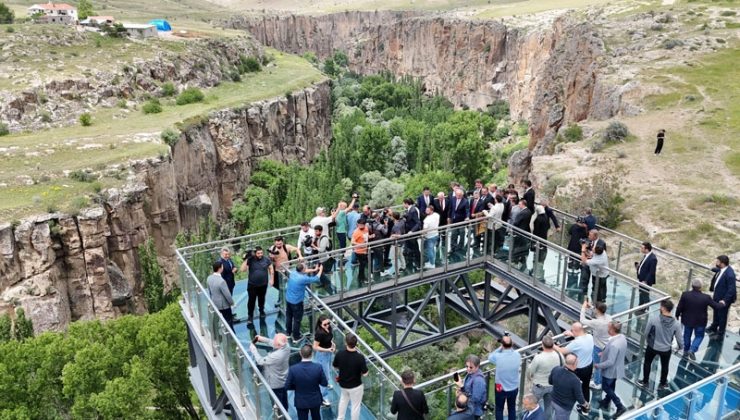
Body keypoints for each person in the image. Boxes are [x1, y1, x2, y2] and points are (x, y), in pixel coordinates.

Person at [675, 278, 725, 359]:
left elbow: (680, 306)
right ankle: (693, 349)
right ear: (701, 287)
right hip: (700, 322)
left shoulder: (685, 294)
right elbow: (716, 306)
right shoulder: (706, 297)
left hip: (687, 320)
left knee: (686, 335)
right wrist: (722, 303)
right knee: (699, 336)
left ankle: (686, 350)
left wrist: (677, 315)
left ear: (692, 285)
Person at [638, 299, 682, 390]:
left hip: (652, 346)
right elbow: (679, 339)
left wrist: (647, 340)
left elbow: (646, 333)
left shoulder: (654, 319)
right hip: (666, 349)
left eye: (661, 306)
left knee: (647, 363)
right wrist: (680, 347)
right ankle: (662, 384)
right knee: (665, 366)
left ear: (663, 308)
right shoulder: (676, 324)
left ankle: (645, 382)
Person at [555, 322, 594, 408]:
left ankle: (572, 404)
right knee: (585, 387)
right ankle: (585, 407)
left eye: (572, 330)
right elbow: (580, 338)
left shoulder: (576, 343)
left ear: (575, 331)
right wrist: (573, 334)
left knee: (573, 388)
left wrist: (552, 345)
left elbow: (562, 351)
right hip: (589, 365)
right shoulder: (590, 337)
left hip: (578, 370)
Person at [594, 321, 627, 417]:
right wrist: (604, 353)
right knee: (611, 385)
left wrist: (598, 366)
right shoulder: (622, 338)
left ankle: (619, 405)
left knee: (606, 387)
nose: (607, 330)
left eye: (608, 328)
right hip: (618, 368)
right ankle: (607, 400)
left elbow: (610, 362)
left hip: (610, 371)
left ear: (612, 330)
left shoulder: (614, 344)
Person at [250, 333, 290, 411]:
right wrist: (262, 339)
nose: (273, 341)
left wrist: (254, 351)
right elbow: (274, 343)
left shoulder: (276, 356)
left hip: (275, 384)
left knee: (277, 405)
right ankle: (285, 411)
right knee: (284, 401)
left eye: (275, 341)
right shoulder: (286, 346)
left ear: (278, 345)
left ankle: (280, 415)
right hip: (284, 380)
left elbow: (260, 361)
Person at [286, 345, 328, 420]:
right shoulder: (318, 367)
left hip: (301, 401)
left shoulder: (293, 369)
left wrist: (297, 387)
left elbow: (287, 386)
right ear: (312, 354)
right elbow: (324, 383)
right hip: (315, 400)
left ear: (300, 353)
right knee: (316, 417)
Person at [333, 334, 369, 420]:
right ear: (356, 344)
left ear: (346, 343)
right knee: (355, 406)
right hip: (356, 386)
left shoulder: (340, 354)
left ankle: (340, 418)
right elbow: (365, 373)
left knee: (343, 401)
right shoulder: (360, 357)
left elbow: (335, 366)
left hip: (343, 384)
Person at [527, 335, 562, 419]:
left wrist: (530, 378)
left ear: (542, 345)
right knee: (549, 408)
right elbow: (563, 366)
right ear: (553, 344)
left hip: (539, 386)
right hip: (552, 386)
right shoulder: (559, 355)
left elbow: (530, 371)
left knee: (531, 406)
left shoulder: (538, 358)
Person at [285, 263, 323, 342]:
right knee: (297, 320)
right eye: (305, 268)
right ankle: (296, 337)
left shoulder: (293, 273)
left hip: (288, 299)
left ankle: (288, 333)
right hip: (296, 303)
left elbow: (305, 271)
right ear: (302, 270)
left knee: (289, 316)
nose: (306, 269)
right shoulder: (302, 279)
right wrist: (320, 270)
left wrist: (314, 269)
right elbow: (316, 278)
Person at [579, 300, 611, 390]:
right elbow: (600, 312)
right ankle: (601, 378)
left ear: (597, 310)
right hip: (607, 345)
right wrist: (592, 307)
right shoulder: (608, 318)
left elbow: (582, 320)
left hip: (599, 346)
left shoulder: (596, 322)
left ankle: (597, 383)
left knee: (597, 364)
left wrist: (583, 308)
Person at [488, 335, 521, 420]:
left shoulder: (498, 357)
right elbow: (512, 351)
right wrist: (508, 345)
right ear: (512, 344)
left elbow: (490, 357)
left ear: (502, 345)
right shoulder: (517, 355)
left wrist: (500, 347)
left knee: (499, 409)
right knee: (512, 408)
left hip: (500, 388)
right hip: (513, 388)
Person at [240, 246, 273, 323]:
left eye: (261, 253)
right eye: (258, 253)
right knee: (251, 301)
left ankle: (261, 311)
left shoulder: (266, 259)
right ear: (255, 253)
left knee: (262, 299)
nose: (260, 254)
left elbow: (271, 268)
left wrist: (272, 278)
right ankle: (250, 316)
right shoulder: (251, 260)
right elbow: (242, 269)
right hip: (252, 285)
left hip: (263, 284)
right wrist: (247, 259)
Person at [549, 354, 588, 420]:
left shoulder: (556, 369)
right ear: (575, 364)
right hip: (564, 407)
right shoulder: (575, 380)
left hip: (553, 400)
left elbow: (550, 382)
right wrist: (585, 404)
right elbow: (579, 397)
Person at [707, 255, 737, 338]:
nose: (716, 263)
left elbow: (732, 290)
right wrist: (712, 269)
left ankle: (720, 333)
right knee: (716, 312)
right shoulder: (722, 269)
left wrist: (724, 300)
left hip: (723, 299)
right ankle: (714, 327)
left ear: (722, 263)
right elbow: (718, 270)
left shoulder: (730, 274)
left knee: (722, 316)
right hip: (717, 295)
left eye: (717, 262)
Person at [268, 236, 303, 304]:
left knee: (287, 284)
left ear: (282, 242)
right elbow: (270, 261)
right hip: (277, 270)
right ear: (275, 243)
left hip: (286, 269)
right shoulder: (272, 248)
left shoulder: (286, 247)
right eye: (277, 244)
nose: (279, 245)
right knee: (276, 284)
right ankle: (284, 293)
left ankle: (282, 299)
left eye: (280, 244)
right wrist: (271, 257)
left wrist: (300, 256)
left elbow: (297, 249)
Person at [454, 355, 487, 419]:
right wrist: (461, 391)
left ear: (477, 367)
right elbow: (469, 390)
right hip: (469, 408)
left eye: (471, 367)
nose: (468, 369)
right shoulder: (470, 374)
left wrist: (462, 387)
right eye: (467, 366)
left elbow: (475, 399)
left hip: (474, 411)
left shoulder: (478, 381)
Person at [313, 315, 335, 406]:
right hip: (322, 354)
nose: (327, 325)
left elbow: (330, 339)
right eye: (325, 324)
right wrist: (327, 350)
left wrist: (333, 344)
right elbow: (315, 347)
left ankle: (326, 384)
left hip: (329, 352)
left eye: (328, 323)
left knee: (328, 370)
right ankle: (323, 398)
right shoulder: (319, 333)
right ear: (320, 324)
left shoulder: (329, 329)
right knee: (324, 375)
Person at [207, 261, 234, 331]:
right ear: (220, 268)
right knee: (228, 321)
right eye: (222, 267)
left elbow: (210, 291)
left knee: (215, 320)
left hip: (214, 303)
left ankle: (214, 333)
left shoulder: (209, 278)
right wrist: (232, 303)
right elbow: (227, 294)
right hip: (224, 305)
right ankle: (231, 336)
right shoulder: (221, 281)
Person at [580, 237, 609, 303]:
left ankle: (597, 303)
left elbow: (584, 261)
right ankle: (599, 300)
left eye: (594, 248)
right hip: (599, 274)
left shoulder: (598, 260)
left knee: (597, 291)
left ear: (596, 251)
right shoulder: (602, 252)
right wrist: (586, 251)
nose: (592, 248)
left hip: (599, 276)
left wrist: (583, 250)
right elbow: (591, 255)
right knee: (599, 289)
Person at [403, 198, 422, 271]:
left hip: (412, 233)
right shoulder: (410, 210)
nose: (403, 205)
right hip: (408, 233)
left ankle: (419, 264)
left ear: (406, 203)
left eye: (403, 203)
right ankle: (413, 262)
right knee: (411, 248)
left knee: (415, 248)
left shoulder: (413, 210)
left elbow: (418, 223)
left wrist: (412, 231)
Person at [448, 188, 470, 252]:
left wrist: (467, 217)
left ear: (462, 195)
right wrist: (449, 217)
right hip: (453, 220)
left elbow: (467, 210)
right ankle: (453, 247)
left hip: (461, 220)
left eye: (460, 195)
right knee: (453, 234)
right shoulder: (453, 199)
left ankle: (460, 247)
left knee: (462, 233)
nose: (458, 196)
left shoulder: (465, 201)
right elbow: (450, 208)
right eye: (457, 194)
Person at [350, 219, 370, 285]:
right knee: (362, 265)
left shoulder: (366, 228)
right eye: (359, 225)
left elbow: (366, 237)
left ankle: (362, 277)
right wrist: (360, 245)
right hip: (359, 251)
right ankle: (361, 278)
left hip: (365, 250)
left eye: (362, 225)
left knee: (364, 265)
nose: (360, 226)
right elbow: (352, 242)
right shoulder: (356, 232)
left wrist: (370, 236)